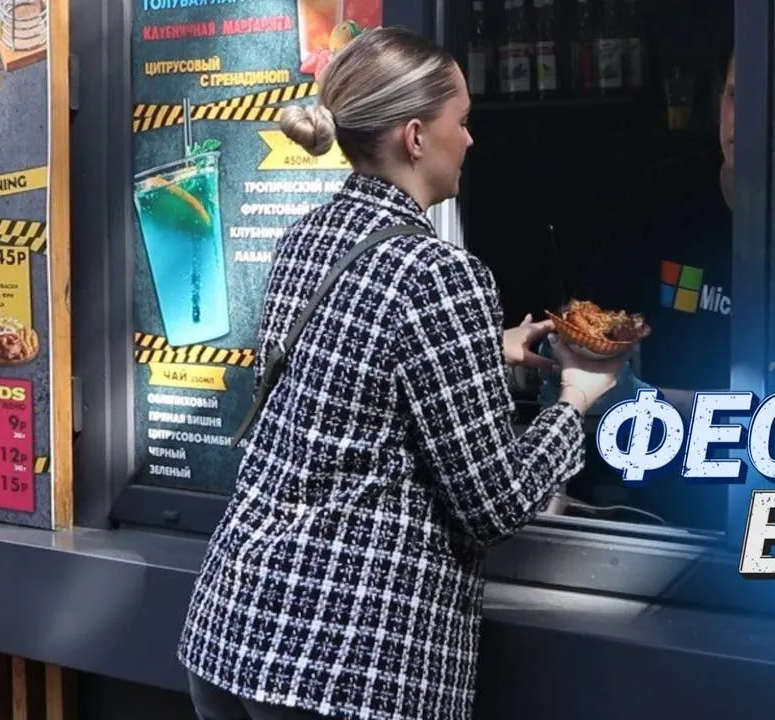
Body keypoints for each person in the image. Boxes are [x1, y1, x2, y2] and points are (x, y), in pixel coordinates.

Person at [176, 27, 623, 720]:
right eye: (462, 121)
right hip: (340, 667)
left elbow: (349, 380)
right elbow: (496, 503)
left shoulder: (306, 237)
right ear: (416, 137)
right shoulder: (441, 273)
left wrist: (483, 347)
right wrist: (575, 398)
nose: (470, 139)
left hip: (233, 630)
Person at [536, 50, 736, 529]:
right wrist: (571, 353)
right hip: (666, 502)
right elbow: (592, 317)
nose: (745, 119)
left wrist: (663, 399)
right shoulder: (668, 196)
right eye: (735, 97)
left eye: (767, 102)